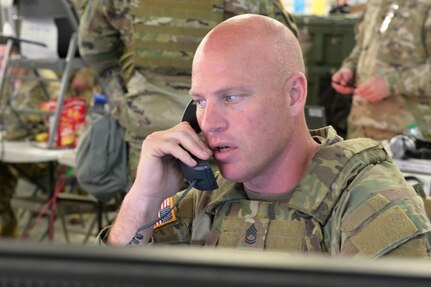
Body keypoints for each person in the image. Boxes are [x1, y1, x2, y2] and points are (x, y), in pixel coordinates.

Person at [99, 14, 431, 258]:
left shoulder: (368, 204)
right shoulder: (205, 199)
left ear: (293, 94)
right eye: (200, 101)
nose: (209, 122)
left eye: (231, 98)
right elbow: (111, 278)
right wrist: (141, 202)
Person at [78, 0, 298, 180]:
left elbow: (94, 50)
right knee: (225, 222)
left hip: (149, 126)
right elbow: (283, 50)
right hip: (226, 135)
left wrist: (122, 104)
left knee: (150, 217)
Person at [331, 0, 431, 141]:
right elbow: (363, 45)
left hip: (409, 135)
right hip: (361, 127)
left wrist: (390, 84)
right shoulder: (375, 3)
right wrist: (349, 68)